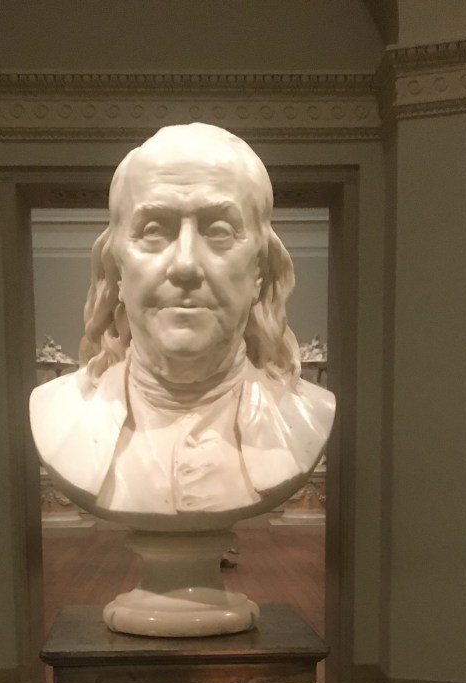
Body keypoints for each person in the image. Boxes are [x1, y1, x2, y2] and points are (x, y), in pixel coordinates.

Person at [30, 122, 335, 532]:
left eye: (219, 231)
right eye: (154, 231)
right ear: (116, 267)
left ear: (260, 270)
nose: (186, 265)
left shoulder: (308, 414)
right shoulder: (58, 413)